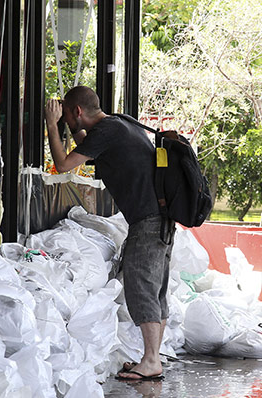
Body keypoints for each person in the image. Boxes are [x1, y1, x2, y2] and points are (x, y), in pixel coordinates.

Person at [44, 86, 175, 381]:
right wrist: (65, 127)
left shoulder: (107, 131)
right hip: (161, 219)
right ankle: (151, 357)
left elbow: (63, 166)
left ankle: (152, 361)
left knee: (141, 289)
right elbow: (86, 148)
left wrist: (51, 125)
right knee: (156, 290)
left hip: (148, 220)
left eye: (65, 115)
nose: (64, 120)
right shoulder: (118, 125)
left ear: (77, 111)